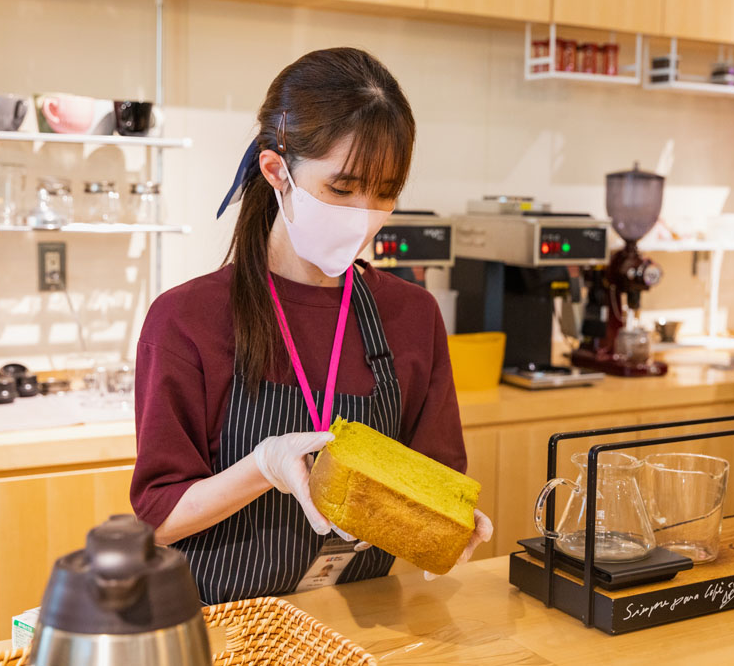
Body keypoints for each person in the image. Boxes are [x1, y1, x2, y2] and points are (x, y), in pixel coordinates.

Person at [130, 47, 492, 604]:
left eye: (385, 192)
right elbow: (157, 520)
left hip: (356, 619)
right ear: (277, 171)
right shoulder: (186, 321)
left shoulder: (413, 316)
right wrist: (263, 466)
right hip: (224, 623)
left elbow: (432, 477)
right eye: (342, 189)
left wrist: (447, 522)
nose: (364, 215)